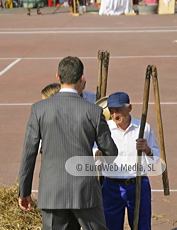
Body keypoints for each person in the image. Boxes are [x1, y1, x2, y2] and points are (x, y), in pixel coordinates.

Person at [18, 56, 118, 230]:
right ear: (82, 78)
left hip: (52, 192)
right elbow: (111, 152)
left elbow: (29, 154)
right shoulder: (94, 111)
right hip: (85, 192)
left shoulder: (39, 109)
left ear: (58, 77)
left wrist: (24, 192)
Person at [94, 92, 160, 230]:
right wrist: (98, 154)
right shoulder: (104, 129)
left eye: (118, 110)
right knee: (110, 225)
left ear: (129, 108)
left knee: (141, 225)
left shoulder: (143, 128)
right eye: (111, 111)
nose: (114, 115)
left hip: (138, 185)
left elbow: (156, 159)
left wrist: (147, 150)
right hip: (112, 187)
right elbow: (93, 155)